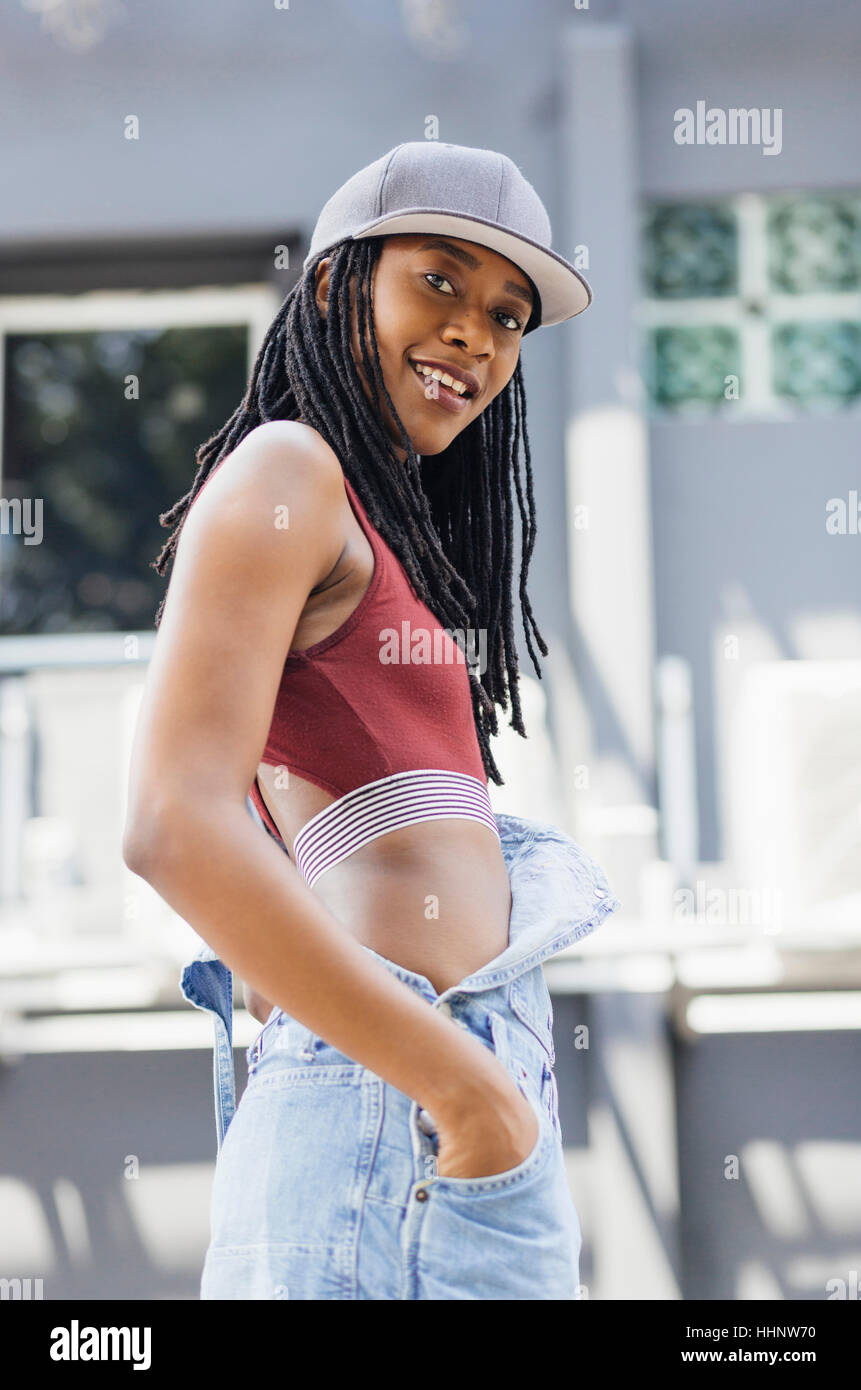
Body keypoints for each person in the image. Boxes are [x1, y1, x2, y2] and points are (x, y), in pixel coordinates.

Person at [123, 141, 620, 1301]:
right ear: (338, 284)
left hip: (429, 1111)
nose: (473, 335)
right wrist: (463, 1091)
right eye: (437, 281)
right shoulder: (288, 471)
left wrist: (480, 1096)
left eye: (507, 317)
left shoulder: (373, 535)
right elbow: (170, 823)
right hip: (401, 1112)